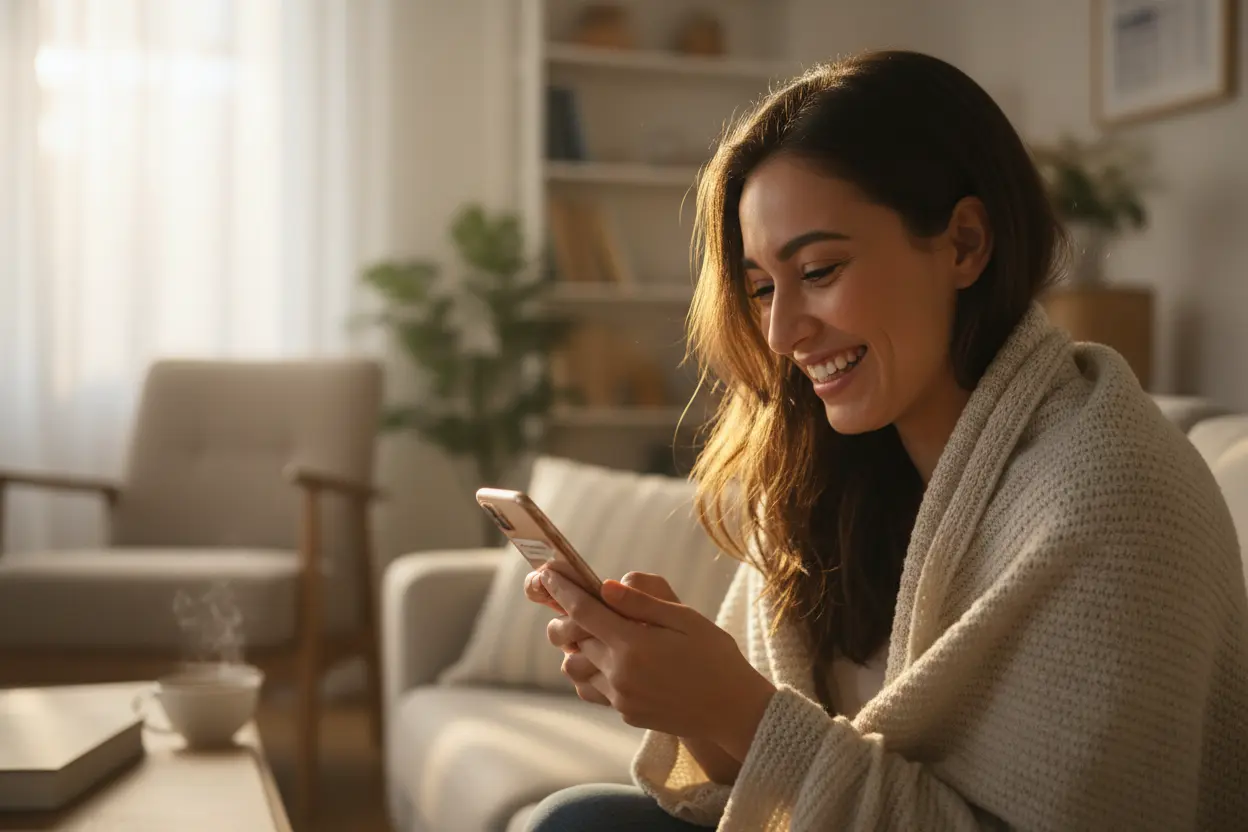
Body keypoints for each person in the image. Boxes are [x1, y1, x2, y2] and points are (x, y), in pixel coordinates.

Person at [522, 50, 1248, 831]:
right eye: (763, 285)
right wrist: (690, 696)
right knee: (574, 818)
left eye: (822, 269)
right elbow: (772, 791)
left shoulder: (1112, 493)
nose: (781, 330)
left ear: (965, 243)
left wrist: (740, 710)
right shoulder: (838, 471)